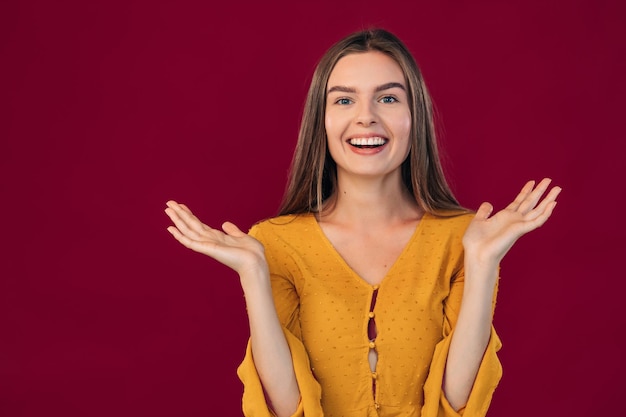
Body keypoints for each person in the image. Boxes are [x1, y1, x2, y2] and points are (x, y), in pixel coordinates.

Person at [164, 29, 561, 417]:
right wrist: (254, 272)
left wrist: (482, 263)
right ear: (321, 121)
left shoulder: (464, 238)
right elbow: (287, 409)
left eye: (388, 98)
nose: (366, 117)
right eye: (344, 101)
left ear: (414, 116)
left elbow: (454, 404)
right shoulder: (274, 243)